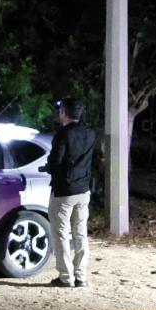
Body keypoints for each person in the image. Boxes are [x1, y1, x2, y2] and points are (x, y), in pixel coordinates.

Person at [46, 97, 96, 288]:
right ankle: (81, 276)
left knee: (60, 234)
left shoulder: (63, 134)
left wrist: (50, 169)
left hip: (64, 192)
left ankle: (66, 277)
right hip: (83, 190)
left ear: (64, 113)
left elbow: (55, 161)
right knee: (80, 233)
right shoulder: (90, 133)